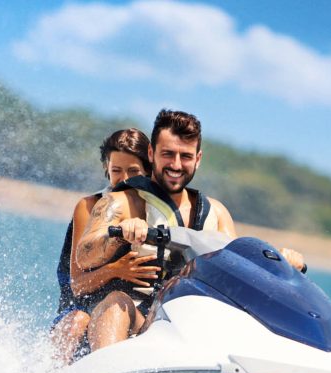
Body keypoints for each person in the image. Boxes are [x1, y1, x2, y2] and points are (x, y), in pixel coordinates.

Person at [76, 109, 305, 351]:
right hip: (139, 321)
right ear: (152, 154)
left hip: (193, 327)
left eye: (185, 156)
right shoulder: (122, 202)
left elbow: (240, 269)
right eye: (168, 154)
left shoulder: (216, 213)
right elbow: (83, 255)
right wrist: (118, 233)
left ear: (198, 159)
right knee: (116, 303)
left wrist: (280, 264)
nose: (176, 164)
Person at [49, 128, 158, 363]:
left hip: (131, 312)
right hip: (82, 306)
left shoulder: (157, 211)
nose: (125, 179)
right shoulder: (88, 207)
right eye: (116, 170)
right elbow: (77, 286)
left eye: (133, 171)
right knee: (78, 321)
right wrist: (116, 269)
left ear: (149, 171)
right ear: (106, 170)